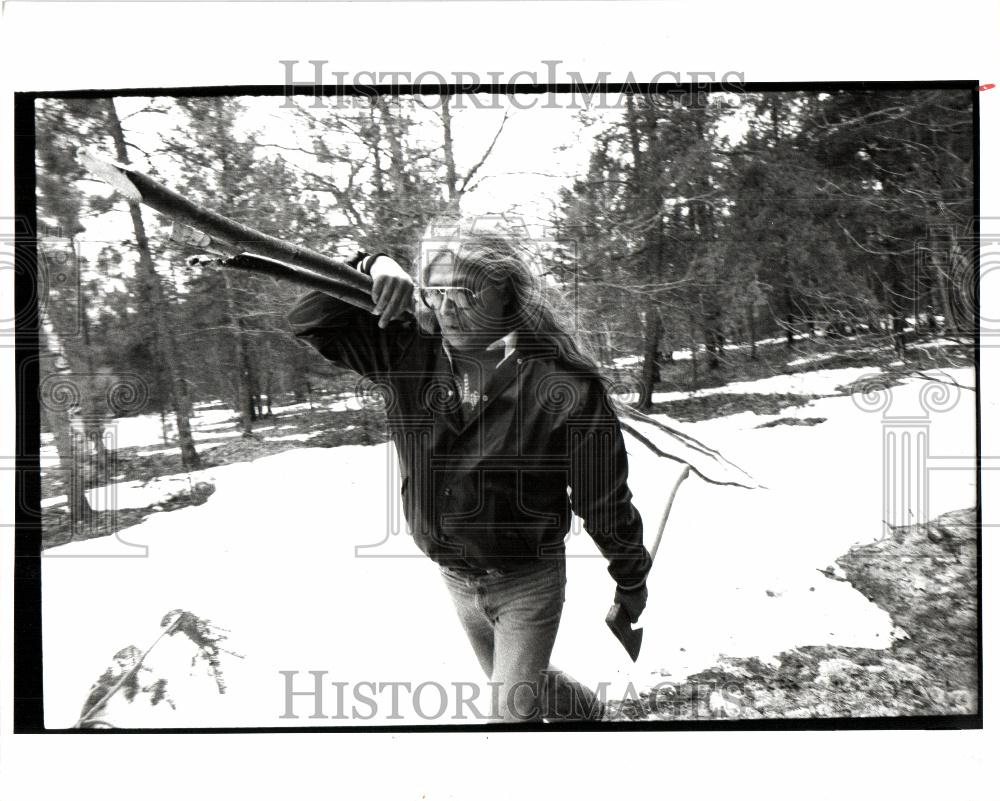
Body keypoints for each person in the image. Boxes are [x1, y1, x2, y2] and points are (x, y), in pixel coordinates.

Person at [287, 217, 651, 722]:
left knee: (507, 717)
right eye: (435, 290)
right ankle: (593, 718)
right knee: (527, 684)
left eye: (465, 291)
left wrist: (631, 579)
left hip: (527, 580)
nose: (448, 307)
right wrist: (372, 265)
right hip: (454, 575)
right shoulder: (406, 352)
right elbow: (310, 320)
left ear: (505, 291)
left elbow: (603, 500)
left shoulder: (561, 386)